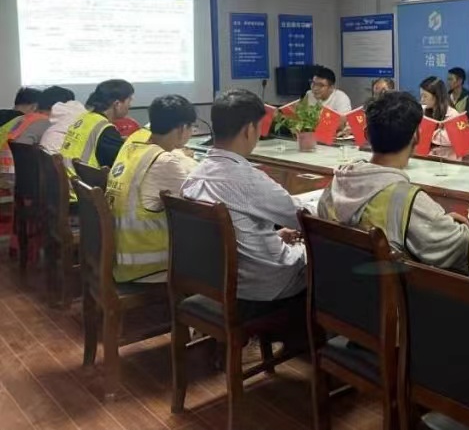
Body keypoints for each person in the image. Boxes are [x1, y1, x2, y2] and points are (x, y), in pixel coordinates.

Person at [182, 89, 316, 313]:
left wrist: (273, 236)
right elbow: (304, 217)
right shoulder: (248, 180)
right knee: (325, 255)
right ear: (249, 129)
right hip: (264, 287)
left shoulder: (194, 176)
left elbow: (229, 233)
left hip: (219, 280)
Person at [318, 91, 469, 269]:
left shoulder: (336, 183)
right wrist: (448, 225)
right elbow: (460, 246)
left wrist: (433, 222)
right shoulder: (406, 199)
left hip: (337, 281)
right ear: (417, 136)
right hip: (391, 285)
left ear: (367, 134)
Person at [105, 95, 198, 283]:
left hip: (119, 254)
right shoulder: (164, 161)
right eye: (192, 128)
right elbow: (198, 201)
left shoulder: (133, 146)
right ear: (182, 128)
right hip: (146, 265)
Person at [60, 80, 134, 175]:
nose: (130, 105)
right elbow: (122, 163)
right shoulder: (105, 129)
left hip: (69, 178)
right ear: (117, 104)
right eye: (129, 100)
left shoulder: (84, 118)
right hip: (84, 182)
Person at [419, 76, 460, 151]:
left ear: (437, 96)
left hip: (447, 155)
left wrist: (426, 133)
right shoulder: (423, 110)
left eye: (425, 96)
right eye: (421, 96)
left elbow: (449, 139)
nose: (422, 100)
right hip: (427, 154)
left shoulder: (452, 114)